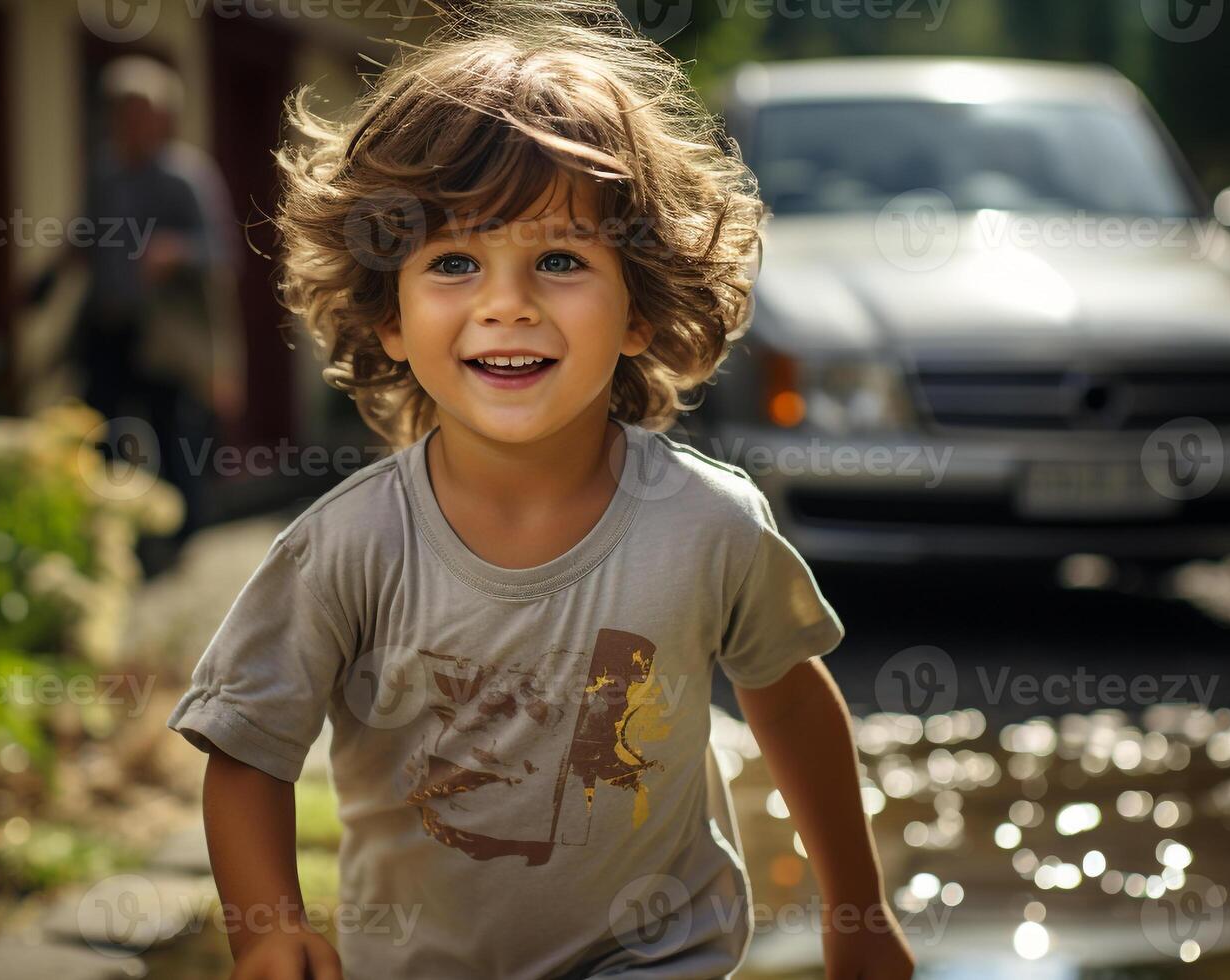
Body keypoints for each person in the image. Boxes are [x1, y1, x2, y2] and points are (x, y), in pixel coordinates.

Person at [165, 2, 915, 978]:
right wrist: (265, 927)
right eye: (452, 262)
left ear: (640, 306)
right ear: (388, 314)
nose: (505, 301)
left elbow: (788, 703)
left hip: (660, 954)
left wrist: (853, 910)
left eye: (559, 259)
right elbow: (247, 749)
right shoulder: (346, 549)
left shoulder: (705, 526)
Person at [40, 55, 245, 575]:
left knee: (173, 433)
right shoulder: (106, 173)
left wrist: (176, 251)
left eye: (138, 113)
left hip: (164, 336)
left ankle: (182, 544)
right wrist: (48, 278)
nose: (127, 124)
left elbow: (222, 253)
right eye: (119, 112)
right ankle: (108, 539)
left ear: (162, 119)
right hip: (108, 327)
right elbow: (84, 237)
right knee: (97, 430)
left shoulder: (186, 178)